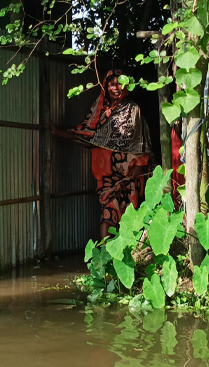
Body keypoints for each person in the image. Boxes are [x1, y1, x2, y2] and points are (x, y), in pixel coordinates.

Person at [51, 69, 153, 241]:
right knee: (108, 211)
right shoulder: (99, 111)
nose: (115, 88)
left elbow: (140, 140)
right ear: (105, 86)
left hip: (129, 174)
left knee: (130, 215)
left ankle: (129, 253)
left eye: (119, 83)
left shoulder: (133, 109)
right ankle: (105, 254)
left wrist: (140, 164)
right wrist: (58, 133)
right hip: (107, 177)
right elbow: (86, 134)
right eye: (111, 84)